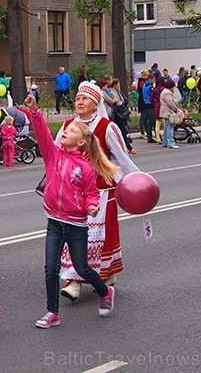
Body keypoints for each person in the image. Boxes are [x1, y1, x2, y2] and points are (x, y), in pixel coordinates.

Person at [24, 94, 117, 329]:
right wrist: (34, 111)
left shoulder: (85, 167)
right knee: (50, 268)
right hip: (54, 222)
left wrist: (92, 206)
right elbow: (43, 133)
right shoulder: (52, 154)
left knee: (82, 267)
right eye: (67, 129)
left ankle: (105, 291)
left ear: (81, 143)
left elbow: (92, 193)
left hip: (76, 225)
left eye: (72, 131)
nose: (65, 131)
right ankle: (52, 313)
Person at [56, 81, 139, 301]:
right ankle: (73, 281)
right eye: (77, 98)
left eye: (85, 98)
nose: (79, 101)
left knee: (96, 238)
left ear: (95, 104)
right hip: (73, 195)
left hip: (101, 193)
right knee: (74, 236)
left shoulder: (106, 127)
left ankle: (104, 273)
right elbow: (56, 157)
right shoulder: (67, 126)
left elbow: (121, 159)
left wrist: (137, 184)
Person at [109, 79, 135, 155]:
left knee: (123, 130)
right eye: (118, 84)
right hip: (117, 114)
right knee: (122, 130)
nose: (119, 86)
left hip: (121, 113)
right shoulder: (112, 92)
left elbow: (124, 100)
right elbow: (118, 102)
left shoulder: (117, 92)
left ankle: (124, 146)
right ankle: (128, 147)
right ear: (115, 85)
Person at [159, 79, 182, 149]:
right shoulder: (167, 93)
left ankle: (165, 142)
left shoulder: (165, 92)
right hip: (168, 112)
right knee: (170, 128)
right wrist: (176, 109)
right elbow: (170, 103)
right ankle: (170, 143)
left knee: (167, 127)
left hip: (166, 112)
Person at [140, 73, 157, 143]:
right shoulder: (149, 86)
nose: (154, 81)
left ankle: (150, 136)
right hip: (149, 104)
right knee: (152, 121)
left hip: (147, 104)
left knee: (149, 122)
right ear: (149, 79)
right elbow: (154, 93)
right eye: (153, 80)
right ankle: (152, 136)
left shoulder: (145, 85)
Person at [152, 76, 165, 144]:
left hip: (157, 105)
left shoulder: (155, 89)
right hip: (163, 105)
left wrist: (155, 104)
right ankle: (166, 137)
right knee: (166, 122)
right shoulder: (164, 89)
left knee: (157, 124)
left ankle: (158, 138)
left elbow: (151, 98)